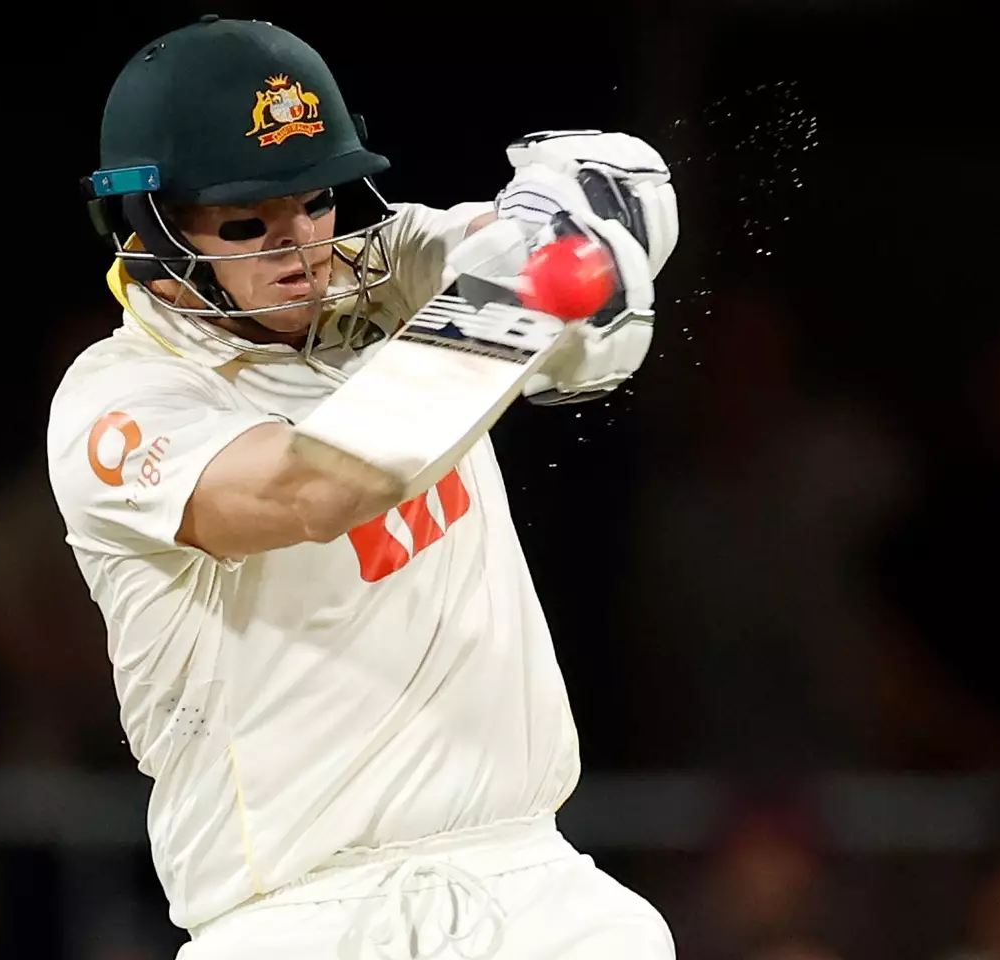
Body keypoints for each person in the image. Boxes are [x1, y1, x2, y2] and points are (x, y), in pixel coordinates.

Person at [46, 15, 679, 959]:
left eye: (317, 202)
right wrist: (516, 313)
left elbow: (514, 248)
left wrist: (580, 232)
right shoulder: (117, 399)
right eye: (247, 221)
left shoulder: (379, 279)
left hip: (536, 891)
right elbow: (305, 491)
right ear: (148, 224)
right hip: (300, 917)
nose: (299, 247)